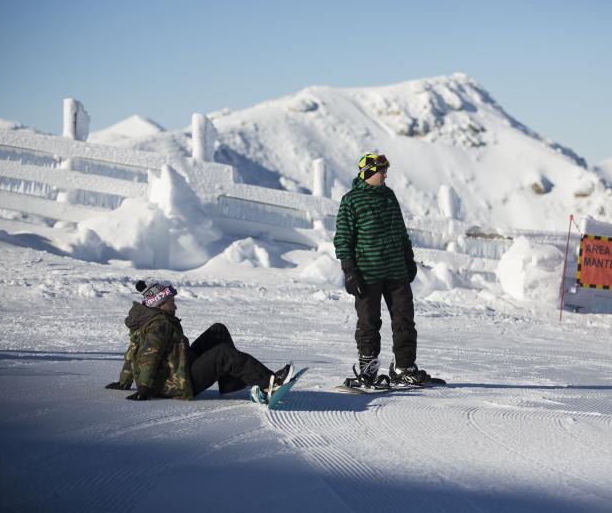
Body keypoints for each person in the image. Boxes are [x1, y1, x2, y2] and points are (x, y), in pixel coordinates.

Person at [333, 152, 434, 386]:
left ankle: (404, 367)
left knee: (404, 320)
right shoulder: (351, 200)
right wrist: (349, 270)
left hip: (396, 271)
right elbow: (343, 239)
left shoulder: (389, 196)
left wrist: (408, 259)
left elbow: (400, 231)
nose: (385, 174)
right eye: (381, 171)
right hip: (367, 273)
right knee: (369, 322)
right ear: (368, 172)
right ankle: (368, 370)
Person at [105, 280, 292, 401]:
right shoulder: (158, 325)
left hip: (180, 365)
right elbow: (147, 355)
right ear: (160, 304)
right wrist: (144, 388)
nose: (175, 305)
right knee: (222, 354)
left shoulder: (148, 317)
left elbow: (132, 350)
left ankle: (230, 384)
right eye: (171, 302)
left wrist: (124, 382)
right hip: (177, 383)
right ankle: (270, 385)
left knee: (218, 330)